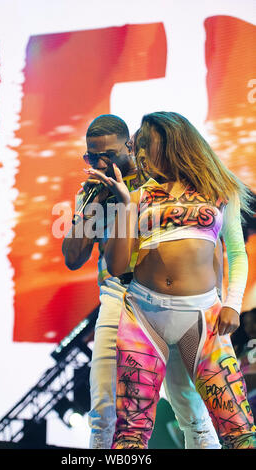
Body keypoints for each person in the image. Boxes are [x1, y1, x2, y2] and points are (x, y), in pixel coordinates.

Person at [86, 111, 256, 449]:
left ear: (174, 142)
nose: (142, 155)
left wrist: (233, 304)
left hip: (202, 315)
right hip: (143, 315)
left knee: (238, 430)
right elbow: (118, 266)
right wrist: (123, 206)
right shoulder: (138, 196)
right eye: (140, 147)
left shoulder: (220, 190)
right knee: (131, 435)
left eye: (147, 145)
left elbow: (237, 253)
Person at [62, 114, 221, 449]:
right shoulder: (91, 193)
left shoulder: (160, 180)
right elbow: (73, 258)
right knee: (104, 410)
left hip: (165, 300)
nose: (100, 162)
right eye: (92, 156)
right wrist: (90, 202)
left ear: (130, 148)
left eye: (108, 154)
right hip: (117, 296)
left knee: (189, 405)